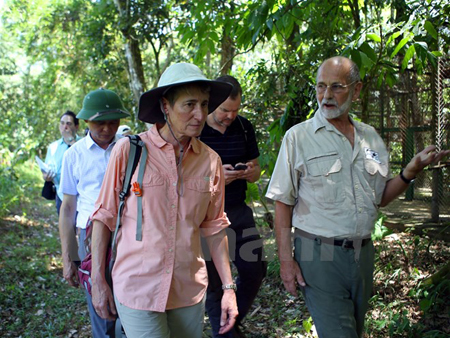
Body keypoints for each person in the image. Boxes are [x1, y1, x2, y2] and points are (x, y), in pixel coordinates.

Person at [265, 56, 450, 338]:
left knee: (354, 328)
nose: (326, 96)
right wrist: (286, 261)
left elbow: (381, 198)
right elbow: (282, 202)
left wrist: (412, 169)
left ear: (357, 89)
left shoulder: (371, 138)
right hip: (319, 253)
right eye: (320, 87)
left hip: (363, 255)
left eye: (336, 87)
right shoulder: (298, 138)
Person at [89, 63, 239, 338]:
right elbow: (103, 216)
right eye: (189, 104)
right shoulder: (130, 151)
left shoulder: (210, 161)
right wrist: (98, 280)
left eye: (204, 104)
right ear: (165, 106)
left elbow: (215, 228)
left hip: (188, 290)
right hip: (138, 288)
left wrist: (229, 289)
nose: (199, 114)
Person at [58, 88, 131, 338]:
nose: (107, 129)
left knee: (133, 303)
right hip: (89, 237)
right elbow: (68, 208)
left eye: (113, 123)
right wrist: (68, 258)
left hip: (128, 232)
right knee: (102, 305)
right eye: (100, 123)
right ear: (87, 121)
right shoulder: (74, 156)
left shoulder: (129, 150)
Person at [199, 75, 266, 337]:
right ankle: (226, 332)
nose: (230, 116)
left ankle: (230, 321)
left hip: (238, 211)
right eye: (224, 110)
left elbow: (257, 167)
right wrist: (215, 179)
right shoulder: (196, 129)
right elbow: (180, 177)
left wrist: (251, 172)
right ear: (212, 103)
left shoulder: (245, 127)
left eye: (235, 110)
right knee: (215, 285)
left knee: (255, 270)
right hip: (206, 216)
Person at [43, 111, 80, 214]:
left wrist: (72, 141)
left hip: (80, 196)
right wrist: (46, 176)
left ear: (76, 126)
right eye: (62, 123)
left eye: (69, 124)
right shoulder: (53, 147)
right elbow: (47, 169)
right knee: (65, 227)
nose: (65, 127)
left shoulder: (83, 144)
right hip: (60, 194)